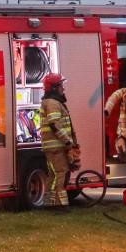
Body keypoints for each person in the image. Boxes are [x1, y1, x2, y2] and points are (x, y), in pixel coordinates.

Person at [39, 73, 79, 212]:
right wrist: (68, 142)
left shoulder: (53, 102)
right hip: (56, 146)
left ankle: (50, 203)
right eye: (61, 86)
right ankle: (59, 205)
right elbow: (54, 124)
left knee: (54, 174)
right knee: (60, 173)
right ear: (55, 88)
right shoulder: (53, 103)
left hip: (55, 146)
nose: (63, 88)